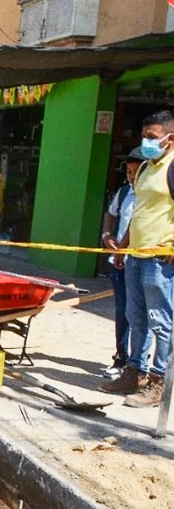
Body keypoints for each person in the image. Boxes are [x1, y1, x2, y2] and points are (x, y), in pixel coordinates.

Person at [100, 111, 174, 407]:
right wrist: (122, 246)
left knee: (162, 322)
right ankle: (134, 373)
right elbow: (139, 212)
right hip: (134, 254)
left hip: (160, 258)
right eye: (145, 136)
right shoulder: (144, 169)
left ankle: (158, 383)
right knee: (136, 317)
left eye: (153, 138)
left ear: (170, 138)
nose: (147, 142)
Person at [99, 147, 146, 380]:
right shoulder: (124, 192)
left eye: (137, 172)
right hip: (119, 262)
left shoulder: (153, 196)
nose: (131, 177)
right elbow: (111, 214)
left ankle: (140, 365)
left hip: (143, 262)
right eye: (128, 172)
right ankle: (121, 357)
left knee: (140, 315)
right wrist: (107, 235)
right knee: (123, 311)